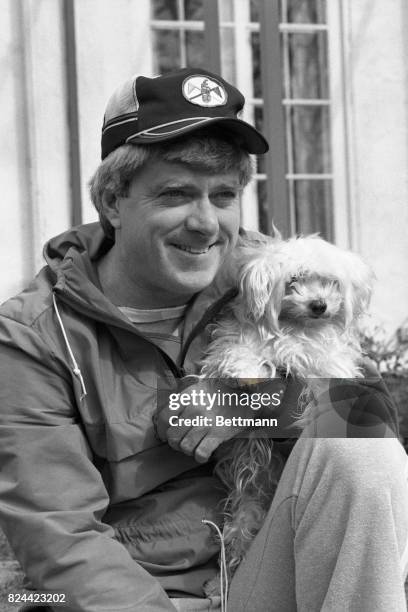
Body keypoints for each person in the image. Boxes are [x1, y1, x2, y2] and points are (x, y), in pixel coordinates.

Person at [0, 67, 407, 612]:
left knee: (360, 453)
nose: (206, 222)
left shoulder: (268, 275)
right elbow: (60, 538)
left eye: (224, 195)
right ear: (114, 201)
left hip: (272, 570)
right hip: (145, 594)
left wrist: (248, 408)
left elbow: (372, 423)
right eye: (176, 193)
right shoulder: (33, 337)